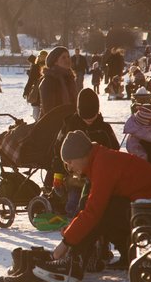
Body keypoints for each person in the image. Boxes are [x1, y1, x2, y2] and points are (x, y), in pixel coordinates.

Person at [35, 130, 151, 282]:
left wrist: (66, 242)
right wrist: (71, 232)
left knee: (105, 211)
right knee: (107, 208)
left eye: (69, 162)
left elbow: (93, 212)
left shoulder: (104, 164)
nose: (69, 168)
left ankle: (73, 262)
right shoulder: (101, 159)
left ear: (81, 155)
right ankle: (82, 259)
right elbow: (88, 206)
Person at [49, 88, 120, 218]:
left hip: (99, 176)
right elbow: (58, 150)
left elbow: (115, 150)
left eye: (92, 117)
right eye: (85, 118)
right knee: (74, 200)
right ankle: (73, 213)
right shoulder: (70, 125)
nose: (89, 121)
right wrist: (58, 174)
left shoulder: (104, 129)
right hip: (75, 175)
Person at [38, 46, 78, 118]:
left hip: (70, 120)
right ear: (55, 61)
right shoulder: (49, 80)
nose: (67, 60)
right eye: (63, 57)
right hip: (54, 123)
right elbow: (48, 110)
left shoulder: (70, 78)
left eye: (68, 57)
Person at [22, 51, 46, 119]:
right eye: (42, 56)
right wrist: (26, 91)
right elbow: (31, 80)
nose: (43, 58)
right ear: (39, 57)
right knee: (36, 111)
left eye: (44, 57)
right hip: (37, 91)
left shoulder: (50, 67)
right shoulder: (35, 67)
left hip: (47, 91)